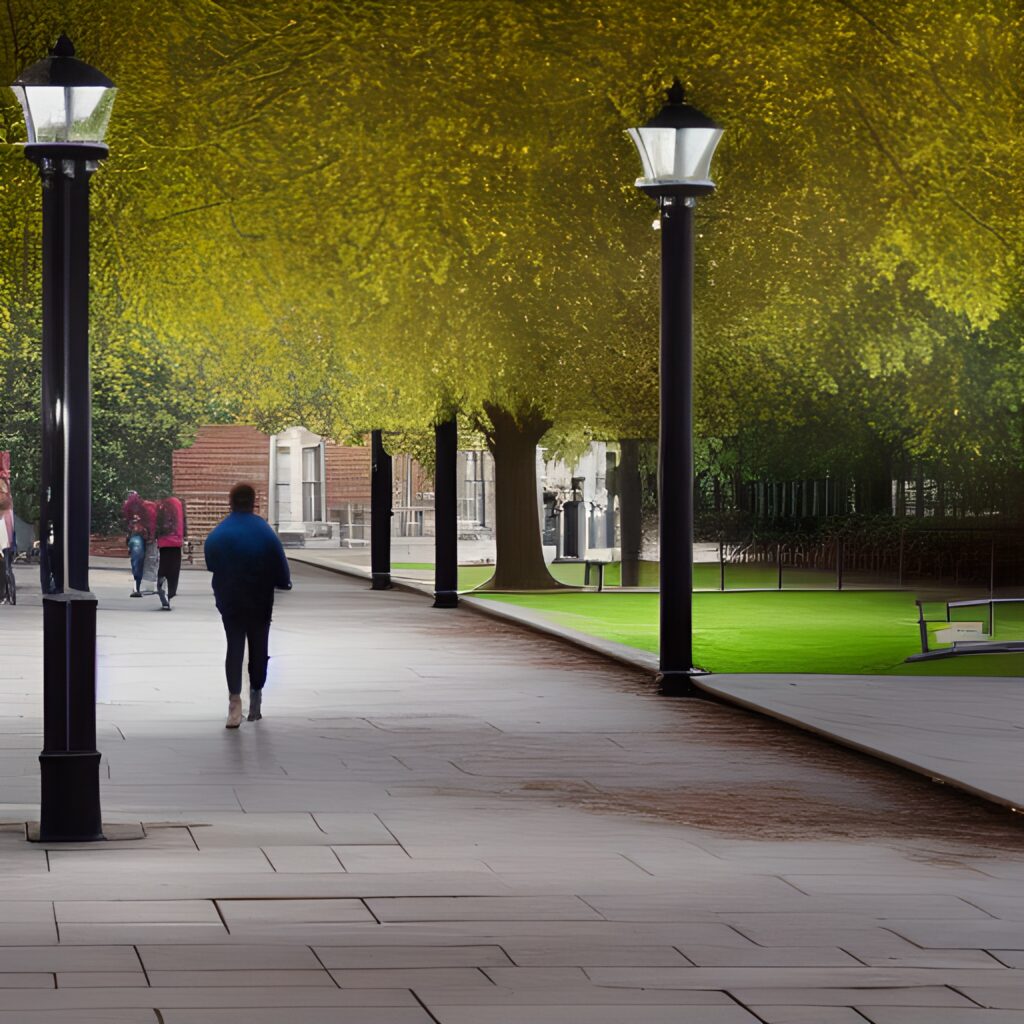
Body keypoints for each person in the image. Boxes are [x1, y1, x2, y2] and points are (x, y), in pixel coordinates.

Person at [204, 483, 291, 728]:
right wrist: (284, 582)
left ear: (230, 502)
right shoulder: (264, 531)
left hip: (230, 598)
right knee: (258, 646)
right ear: (254, 502)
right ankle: (256, 699)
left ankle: (234, 704)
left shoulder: (221, 532)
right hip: (259, 598)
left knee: (234, 647)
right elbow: (280, 565)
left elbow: (211, 559)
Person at [156, 496, 186, 610]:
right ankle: (170, 593)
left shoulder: (160, 505)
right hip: (176, 541)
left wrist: (156, 537)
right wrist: (184, 537)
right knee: (174, 569)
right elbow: (183, 521)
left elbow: (157, 523)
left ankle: (161, 580)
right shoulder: (179, 503)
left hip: (164, 541)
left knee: (163, 563)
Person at [121, 491, 150, 597]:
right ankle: (139, 585)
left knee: (137, 562)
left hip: (136, 536)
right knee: (140, 562)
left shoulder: (128, 508)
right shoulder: (142, 507)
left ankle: (138, 586)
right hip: (140, 536)